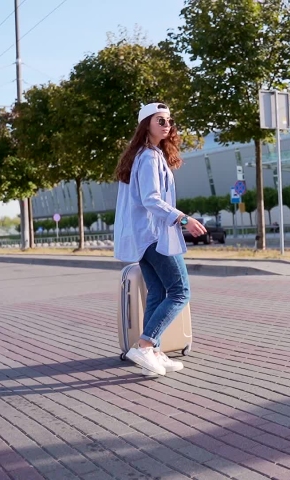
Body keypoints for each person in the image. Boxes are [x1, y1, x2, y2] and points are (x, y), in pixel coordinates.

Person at [113, 102, 207, 377]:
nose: (167, 125)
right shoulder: (150, 157)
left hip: (144, 236)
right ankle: (144, 345)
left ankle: (152, 352)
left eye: (168, 121)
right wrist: (183, 218)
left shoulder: (144, 155)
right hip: (155, 235)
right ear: (146, 125)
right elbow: (151, 199)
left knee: (157, 292)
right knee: (180, 292)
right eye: (160, 121)